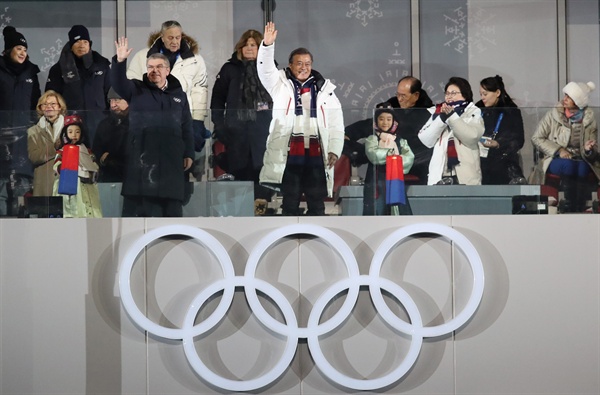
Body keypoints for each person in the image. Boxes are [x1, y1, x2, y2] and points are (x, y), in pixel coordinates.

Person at [257, 22, 344, 216]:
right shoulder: (279, 83)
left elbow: (336, 124)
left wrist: (334, 150)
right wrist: (267, 46)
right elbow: (264, 70)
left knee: (316, 204)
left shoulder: (325, 90)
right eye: (299, 63)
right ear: (290, 65)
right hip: (289, 155)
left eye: (307, 64)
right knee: (290, 202)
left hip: (317, 155)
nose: (304, 68)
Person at [111, 37, 194, 217]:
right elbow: (118, 83)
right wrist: (119, 61)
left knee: (172, 218)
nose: (154, 71)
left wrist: (188, 153)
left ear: (168, 70)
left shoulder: (179, 95)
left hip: (171, 165)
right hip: (142, 165)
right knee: (144, 218)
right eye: (150, 67)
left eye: (158, 67)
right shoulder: (136, 89)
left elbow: (187, 127)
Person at [126, 20, 209, 178]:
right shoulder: (142, 56)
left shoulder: (195, 59)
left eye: (178, 37)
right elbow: (130, 87)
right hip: (147, 123)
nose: (175, 41)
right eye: (170, 37)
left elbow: (200, 91)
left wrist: (197, 121)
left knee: (178, 170)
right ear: (162, 37)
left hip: (180, 120)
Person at [210, 29, 273, 214]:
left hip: (262, 132)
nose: (249, 48)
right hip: (236, 133)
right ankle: (240, 215)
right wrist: (219, 125)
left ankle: (261, 212)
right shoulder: (229, 69)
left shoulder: (270, 68)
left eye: (253, 44)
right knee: (239, 175)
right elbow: (217, 100)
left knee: (263, 175)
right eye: (246, 44)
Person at [344, 76, 433, 184]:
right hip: (385, 156)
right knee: (344, 142)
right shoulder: (393, 106)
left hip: (413, 162)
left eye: (403, 96)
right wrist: (348, 133)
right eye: (398, 94)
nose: (399, 99)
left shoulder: (428, 114)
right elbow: (373, 124)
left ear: (416, 95)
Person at [531, 81, 598, 212]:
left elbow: (593, 149)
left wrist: (588, 149)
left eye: (569, 97)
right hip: (554, 157)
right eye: (565, 95)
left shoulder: (589, 119)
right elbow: (537, 138)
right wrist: (558, 150)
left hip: (580, 158)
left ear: (578, 102)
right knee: (569, 165)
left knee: (583, 167)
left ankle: (578, 206)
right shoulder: (553, 114)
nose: (564, 99)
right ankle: (568, 206)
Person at [0, 26, 41, 215]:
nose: (23, 53)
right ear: (8, 50)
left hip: (23, 139)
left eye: (25, 50)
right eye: (19, 49)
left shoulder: (31, 73)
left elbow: (36, 103)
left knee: (21, 188)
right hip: (1, 138)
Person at [45, 25, 110, 136]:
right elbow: (51, 98)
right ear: (71, 45)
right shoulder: (58, 69)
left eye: (85, 42)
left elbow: (110, 94)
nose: (82, 45)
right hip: (70, 126)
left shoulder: (102, 65)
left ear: (90, 44)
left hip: (99, 124)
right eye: (77, 42)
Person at [418, 77, 485, 185]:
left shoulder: (473, 112)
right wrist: (442, 119)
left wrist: (452, 117)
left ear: (465, 94)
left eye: (453, 93)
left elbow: (472, 137)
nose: (449, 97)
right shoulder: (439, 112)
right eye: (447, 93)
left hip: (465, 176)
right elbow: (425, 139)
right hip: (439, 176)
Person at [363, 103, 414, 216]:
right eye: (381, 119)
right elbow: (373, 154)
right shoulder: (372, 139)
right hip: (377, 181)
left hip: (395, 179)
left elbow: (410, 157)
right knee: (377, 209)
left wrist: (395, 159)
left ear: (393, 121)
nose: (385, 122)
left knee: (399, 210)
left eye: (388, 119)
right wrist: (391, 154)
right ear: (376, 121)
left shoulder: (400, 140)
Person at [475, 75, 526, 185]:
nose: (482, 98)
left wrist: (499, 143)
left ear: (497, 93)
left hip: (503, 164)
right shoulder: (477, 109)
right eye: (481, 94)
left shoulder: (511, 111)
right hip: (480, 163)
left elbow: (519, 140)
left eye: (485, 94)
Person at [53, 114, 102, 218]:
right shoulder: (62, 152)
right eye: (70, 132)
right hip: (71, 186)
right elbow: (57, 167)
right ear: (65, 134)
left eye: (77, 131)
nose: (74, 135)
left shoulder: (87, 152)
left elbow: (94, 166)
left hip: (87, 185)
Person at [27, 90, 67, 196]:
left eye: (53, 104)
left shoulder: (70, 129)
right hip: (44, 186)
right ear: (41, 108)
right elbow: (34, 156)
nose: (49, 107)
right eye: (45, 104)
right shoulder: (33, 131)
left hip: (65, 182)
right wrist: (54, 148)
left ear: (60, 107)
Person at [92, 87, 129, 182]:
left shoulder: (138, 123)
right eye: (110, 101)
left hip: (132, 179)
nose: (113, 105)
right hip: (108, 178)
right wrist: (102, 159)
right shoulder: (104, 125)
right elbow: (96, 149)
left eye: (116, 100)